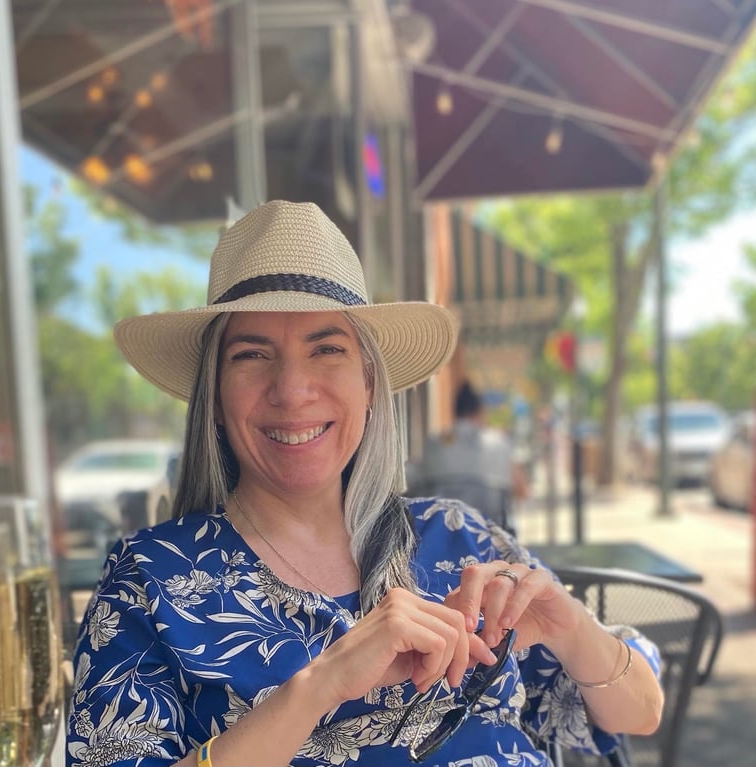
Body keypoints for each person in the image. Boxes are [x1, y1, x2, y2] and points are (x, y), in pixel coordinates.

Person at [66, 200, 663, 767]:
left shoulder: (460, 537)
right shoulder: (152, 580)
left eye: (326, 349)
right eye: (251, 355)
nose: (292, 390)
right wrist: (317, 687)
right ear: (215, 400)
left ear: (370, 384)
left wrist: (572, 628)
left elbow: (640, 712)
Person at [411, 381, 527, 536]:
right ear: (479, 412)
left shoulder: (434, 444)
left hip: (441, 536)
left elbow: (413, 486)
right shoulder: (498, 443)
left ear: (454, 411)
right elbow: (522, 490)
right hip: (490, 539)